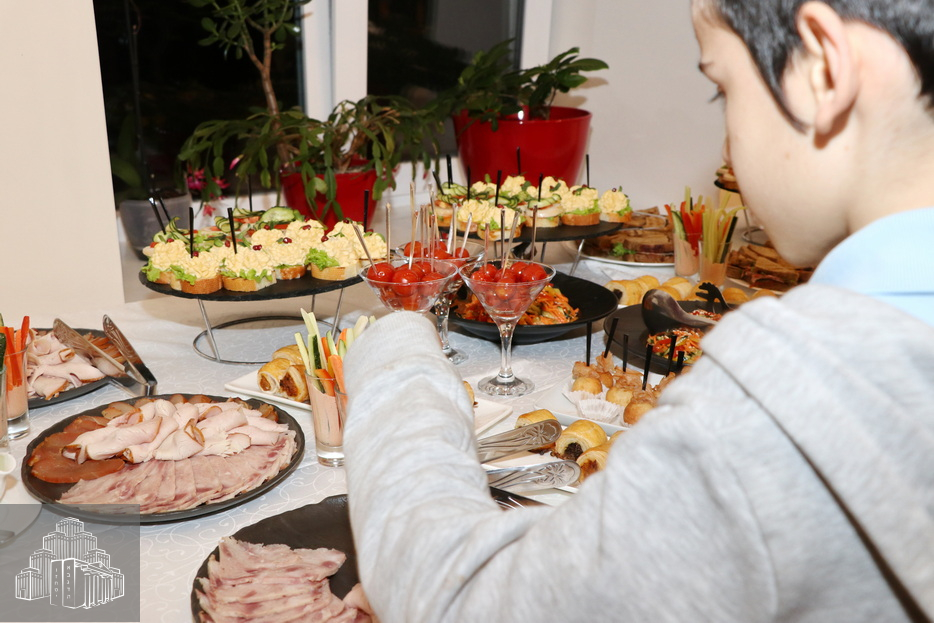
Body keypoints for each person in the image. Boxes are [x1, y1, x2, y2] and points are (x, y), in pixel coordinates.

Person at [342, 1, 934, 620]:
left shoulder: (779, 408)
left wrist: (396, 358)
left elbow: (456, 599)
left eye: (723, 89)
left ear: (824, 69)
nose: (726, 146)